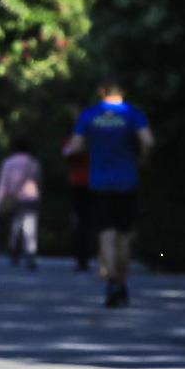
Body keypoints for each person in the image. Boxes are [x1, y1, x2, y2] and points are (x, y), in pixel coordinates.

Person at [64, 79, 154, 306]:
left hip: (99, 183)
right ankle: (122, 282)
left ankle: (112, 280)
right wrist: (142, 159)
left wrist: (85, 150)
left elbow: (75, 147)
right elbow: (148, 141)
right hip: (127, 181)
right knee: (124, 234)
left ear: (101, 92)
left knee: (106, 232)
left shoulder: (90, 115)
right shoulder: (133, 114)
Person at [0, 138, 43, 271]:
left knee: (15, 227)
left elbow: (2, 182)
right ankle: (30, 255)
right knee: (30, 229)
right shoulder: (34, 163)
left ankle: (14, 252)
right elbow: (38, 181)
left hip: (13, 199)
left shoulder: (8, 163)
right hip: (31, 198)